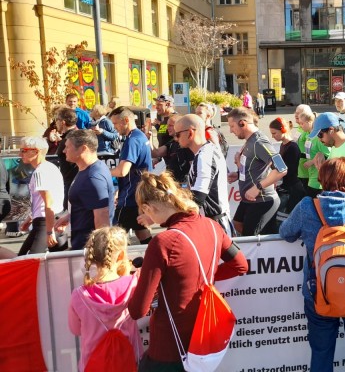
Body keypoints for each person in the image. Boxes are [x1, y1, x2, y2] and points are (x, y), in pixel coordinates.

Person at [129, 172, 248, 371]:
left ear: (148, 208)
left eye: (145, 211)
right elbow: (241, 264)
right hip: (203, 340)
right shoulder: (213, 226)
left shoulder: (163, 242)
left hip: (169, 348)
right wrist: (202, 278)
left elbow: (137, 310)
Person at [280, 157, 345, 372]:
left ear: (321, 180)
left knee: (321, 354)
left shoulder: (307, 207)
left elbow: (286, 233)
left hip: (318, 291)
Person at [68, 226, 142, 372]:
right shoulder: (133, 284)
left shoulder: (79, 295)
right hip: (130, 362)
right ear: (121, 256)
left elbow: (75, 330)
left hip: (93, 364)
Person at [226, 107, 287, 235]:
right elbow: (256, 166)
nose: (231, 131)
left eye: (232, 126)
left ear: (242, 123)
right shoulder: (249, 140)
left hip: (263, 200)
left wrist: (258, 187)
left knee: (250, 239)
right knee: (237, 224)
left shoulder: (259, 142)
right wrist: (238, 174)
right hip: (249, 199)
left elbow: (282, 168)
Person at [53, 130, 114, 250]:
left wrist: (100, 253)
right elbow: (88, 203)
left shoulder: (94, 177)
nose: (64, 151)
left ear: (83, 148)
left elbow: (102, 217)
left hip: (89, 249)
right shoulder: (87, 169)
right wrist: (70, 216)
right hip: (81, 245)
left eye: (67, 147)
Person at [175, 114, 231, 234]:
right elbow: (193, 188)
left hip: (215, 225)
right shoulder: (205, 152)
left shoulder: (204, 156)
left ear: (190, 133)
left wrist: (164, 211)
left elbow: (198, 198)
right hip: (212, 222)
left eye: (177, 134)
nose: (175, 139)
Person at [110, 107, 152, 244]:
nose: (114, 128)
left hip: (130, 197)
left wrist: (101, 171)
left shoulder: (132, 140)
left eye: (116, 124)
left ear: (126, 120)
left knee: (115, 236)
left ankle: (118, 263)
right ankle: (151, 256)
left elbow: (123, 171)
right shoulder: (140, 136)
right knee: (141, 230)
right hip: (138, 192)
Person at [17, 137, 64, 255]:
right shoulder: (49, 167)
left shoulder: (40, 172)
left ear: (36, 151)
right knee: (57, 261)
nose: (20, 154)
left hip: (46, 222)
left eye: (24, 150)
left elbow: (49, 204)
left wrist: (49, 231)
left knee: (27, 260)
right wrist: (31, 217)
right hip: (51, 219)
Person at [269, 117, 306, 222]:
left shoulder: (292, 147)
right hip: (286, 188)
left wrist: (274, 166)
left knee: (283, 220)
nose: (272, 136)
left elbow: (289, 170)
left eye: (274, 133)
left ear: (283, 130)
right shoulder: (284, 145)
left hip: (291, 190)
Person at [151, 114, 194, 184]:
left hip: (184, 186)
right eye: (167, 125)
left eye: (171, 125)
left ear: (179, 126)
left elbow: (194, 168)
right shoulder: (171, 144)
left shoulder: (188, 145)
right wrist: (147, 138)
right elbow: (155, 153)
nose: (168, 128)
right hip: (172, 184)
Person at [301, 111, 330, 198]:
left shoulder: (319, 139)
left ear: (310, 122)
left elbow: (329, 156)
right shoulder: (308, 137)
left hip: (318, 181)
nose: (300, 125)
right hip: (310, 176)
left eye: (302, 123)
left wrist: (313, 161)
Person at [56, 106, 79, 210]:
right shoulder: (73, 135)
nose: (55, 123)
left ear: (63, 122)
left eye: (56, 120)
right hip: (71, 181)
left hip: (73, 183)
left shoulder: (72, 137)